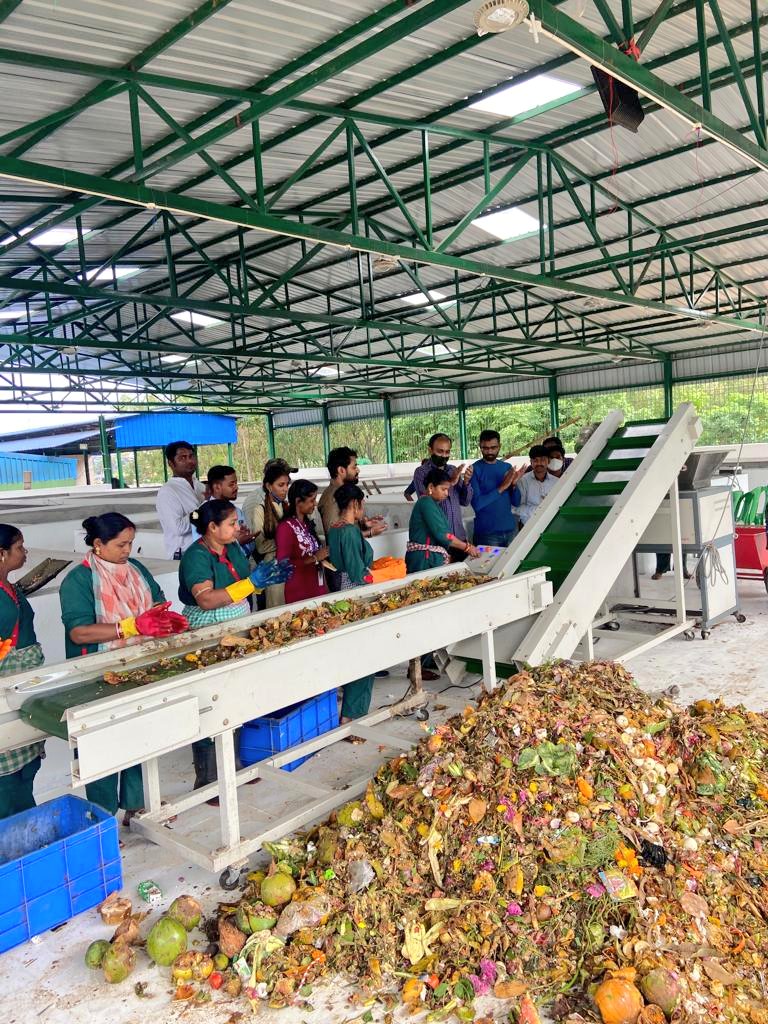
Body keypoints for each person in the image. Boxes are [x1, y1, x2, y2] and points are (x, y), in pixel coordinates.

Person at [60, 513, 188, 823]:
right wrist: (129, 627)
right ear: (98, 544)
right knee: (101, 744)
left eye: (131, 543)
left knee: (140, 734)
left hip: (140, 666)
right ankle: (102, 818)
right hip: (99, 673)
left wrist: (164, 618)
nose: (128, 550)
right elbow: (79, 633)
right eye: (121, 544)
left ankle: (137, 804)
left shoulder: (136, 569)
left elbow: (156, 600)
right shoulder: (79, 580)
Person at [179, 500, 292, 793]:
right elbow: (206, 599)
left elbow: (243, 582)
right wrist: (251, 583)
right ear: (212, 527)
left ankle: (234, 765)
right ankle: (207, 779)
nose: (238, 527)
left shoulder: (232, 549)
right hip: (208, 632)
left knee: (236, 696)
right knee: (210, 702)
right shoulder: (196, 556)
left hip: (236, 627)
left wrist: (264, 579)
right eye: (232, 523)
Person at [0, 525, 47, 820]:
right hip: (7, 689)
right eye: (19, 547)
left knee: (25, 763)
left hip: (21, 686)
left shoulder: (7, 586)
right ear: (1, 553)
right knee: (8, 775)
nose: (25, 552)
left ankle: (25, 825)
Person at [327, 483, 377, 723]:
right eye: (362, 504)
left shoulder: (335, 528)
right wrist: (383, 577)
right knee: (365, 654)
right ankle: (352, 714)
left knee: (352, 652)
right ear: (355, 504)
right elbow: (358, 572)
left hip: (342, 591)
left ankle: (350, 711)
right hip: (356, 593)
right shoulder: (349, 531)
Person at [406, 434, 473, 554]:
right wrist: (451, 482)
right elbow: (427, 502)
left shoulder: (453, 470)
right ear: (430, 450)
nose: (444, 455)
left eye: (447, 452)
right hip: (439, 542)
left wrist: (466, 482)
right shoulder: (421, 472)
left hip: (459, 537)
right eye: (440, 451)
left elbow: (465, 501)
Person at [406, 467, 480, 572]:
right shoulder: (426, 503)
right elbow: (443, 535)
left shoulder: (432, 504)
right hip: (424, 560)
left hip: (429, 557)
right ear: (431, 487)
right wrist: (467, 547)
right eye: (443, 489)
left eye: (447, 490)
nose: (447, 493)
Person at [242, 461, 291, 607]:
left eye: (287, 484)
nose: (285, 489)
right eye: (281, 485)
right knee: (277, 605)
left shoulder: (287, 506)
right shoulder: (260, 509)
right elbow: (260, 546)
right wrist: (285, 541)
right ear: (269, 486)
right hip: (272, 566)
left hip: (289, 562)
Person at [470, 430, 528, 547]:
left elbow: (516, 502)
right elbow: (477, 504)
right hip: (487, 534)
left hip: (510, 529)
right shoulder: (474, 469)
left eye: (493, 447)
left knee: (513, 560)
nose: (489, 451)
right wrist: (501, 487)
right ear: (480, 447)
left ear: (499, 446)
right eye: (485, 448)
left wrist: (513, 485)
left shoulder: (507, 467)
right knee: (489, 561)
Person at [276, 480, 330, 604]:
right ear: (298, 501)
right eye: (312, 500)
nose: (315, 504)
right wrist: (314, 558)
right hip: (299, 591)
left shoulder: (306, 523)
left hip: (316, 586)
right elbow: (283, 565)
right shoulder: (285, 527)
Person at [318, 446, 387, 541]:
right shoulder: (331, 499)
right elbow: (336, 538)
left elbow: (346, 526)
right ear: (341, 470)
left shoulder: (345, 492)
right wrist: (369, 532)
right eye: (354, 467)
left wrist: (363, 524)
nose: (358, 470)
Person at [156, 440, 206, 559]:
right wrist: (205, 508)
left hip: (206, 552)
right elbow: (178, 528)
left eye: (191, 456)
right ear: (171, 463)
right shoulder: (168, 491)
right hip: (184, 556)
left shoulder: (200, 487)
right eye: (182, 458)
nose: (189, 461)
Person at [206, 465, 255, 557]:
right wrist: (237, 542)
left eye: (236, 483)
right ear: (217, 487)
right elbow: (206, 551)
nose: (236, 487)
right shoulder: (204, 514)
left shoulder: (238, 511)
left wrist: (247, 538)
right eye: (231, 484)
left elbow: (249, 549)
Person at [513, 446, 559, 526]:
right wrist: (539, 510)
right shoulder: (523, 481)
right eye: (535, 460)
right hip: (528, 526)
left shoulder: (556, 482)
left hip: (552, 525)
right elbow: (517, 508)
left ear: (548, 461)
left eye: (542, 460)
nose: (539, 463)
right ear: (531, 462)